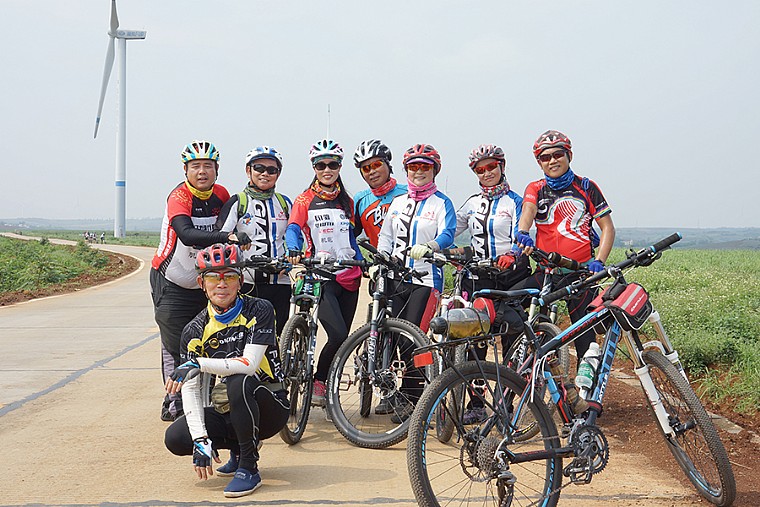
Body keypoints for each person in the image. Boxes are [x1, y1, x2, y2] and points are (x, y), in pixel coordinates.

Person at [164, 244, 289, 499]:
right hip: (230, 407)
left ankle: (249, 467)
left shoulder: (260, 309)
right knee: (176, 437)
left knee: (238, 380)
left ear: (240, 281)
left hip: (270, 406)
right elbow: (191, 388)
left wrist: (198, 364)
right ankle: (238, 449)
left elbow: (249, 364)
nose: (222, 284)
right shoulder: (194, 330)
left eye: (229, 277)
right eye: (213, 277)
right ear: (201, 283)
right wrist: (200, 439)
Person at [151, 140, 250, 422]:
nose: (202, 171)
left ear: (217, 170)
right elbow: (187, 234)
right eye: (195, 166)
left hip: (205, 284)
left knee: (210, 342)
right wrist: (226, 237)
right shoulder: (179, 196)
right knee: (175, 345)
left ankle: (205, 399)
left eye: (208, 166)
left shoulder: (221, 194)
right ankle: (176, 403)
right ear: (185, 170)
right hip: (172, 281)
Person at [514, 130, 616, 362]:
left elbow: (607, 228)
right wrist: (523, 232)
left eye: (558, 154)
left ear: (569, 155)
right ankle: (520, 372)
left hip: (580, 273)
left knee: (584, 339)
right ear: (539, 162)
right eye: (545, 157)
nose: (552, 161)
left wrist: (599, 261)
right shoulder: (536, 188)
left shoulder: (586, 187)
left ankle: (584, 383)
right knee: (510, 306)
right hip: (547, 272)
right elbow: (528, 210)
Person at [376, 143, 456, 421]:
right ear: (406, 170)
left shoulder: (442, 203)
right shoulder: (398, 202)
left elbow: (448, 233)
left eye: (425, 166)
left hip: (425, 279)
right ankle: (398, 392)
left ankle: (415, 397)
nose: (418, 171)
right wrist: (381, 258)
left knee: (414, 340)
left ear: (435, 170)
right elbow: (386, 235)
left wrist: (430, 246)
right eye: (413, 167)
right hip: (395, 277)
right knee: (394, 337)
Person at [454, 144, 533, 423]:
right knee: (476, 342)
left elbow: (522, 233)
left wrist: (513, 254)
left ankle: (504, 405)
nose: (486, 173)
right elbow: (450, 229)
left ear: (502, 166)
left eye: (491, 167)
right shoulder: (472, 203)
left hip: (512, 275)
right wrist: (438, 248)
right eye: (480, 169)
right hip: (481, 276)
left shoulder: (516, 201)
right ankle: (475, 404)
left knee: (512, 340)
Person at [285, 139, 363, 406]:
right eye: (321, 165)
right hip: (321, 276)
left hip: (350, 277)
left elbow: (351, 238)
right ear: (314, 168)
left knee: (343, 341)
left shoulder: (347, 201)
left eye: (332, 164)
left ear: (340, 167)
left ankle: (330, 388)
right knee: (338, 334)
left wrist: (362, 260)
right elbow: (293, 228)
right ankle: (319, 380)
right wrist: (293, 248)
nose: (327, 169)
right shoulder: (305, 199)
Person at [215, 146, 292, 336]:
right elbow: (219, 238)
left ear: (278, 173)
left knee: (278, 337)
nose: (265, 174)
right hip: (248, 282)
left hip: (280, 282)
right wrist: (234, 240)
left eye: (272, 170)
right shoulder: (238, 201)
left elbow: (296, 236)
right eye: (259, 168)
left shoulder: (285, 203)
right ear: (248, 170)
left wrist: (291, 258)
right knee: (247, 337)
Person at [352, 139, 407, 247]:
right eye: (365, 169)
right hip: (379, 256)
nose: (372, 172)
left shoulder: (409, 193)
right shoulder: (360, 200)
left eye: (377, 165)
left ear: (388, 164)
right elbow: (349, 236)